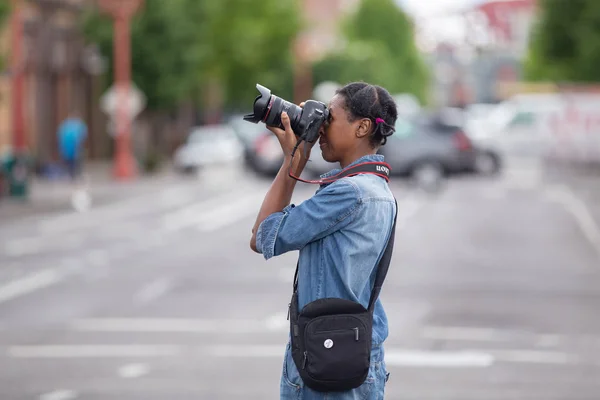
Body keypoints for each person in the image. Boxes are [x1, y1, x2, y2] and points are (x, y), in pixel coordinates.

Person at [250, 82, 398, 399]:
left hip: (327, 360)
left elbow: (263, 236)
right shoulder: (375, 188)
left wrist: (296, 158)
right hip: (352, 353)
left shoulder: (350, 192)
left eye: (329, 118)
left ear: (362, 127)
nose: (320, 128)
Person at [58, 111, 88, 183]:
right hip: (74, 147)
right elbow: (83, 134)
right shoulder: (78, 124)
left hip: (69, 147)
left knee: (71, 162)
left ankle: (72, 175)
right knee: (75, 162)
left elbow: (60, 135)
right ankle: (75, 175)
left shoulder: (65, 125)